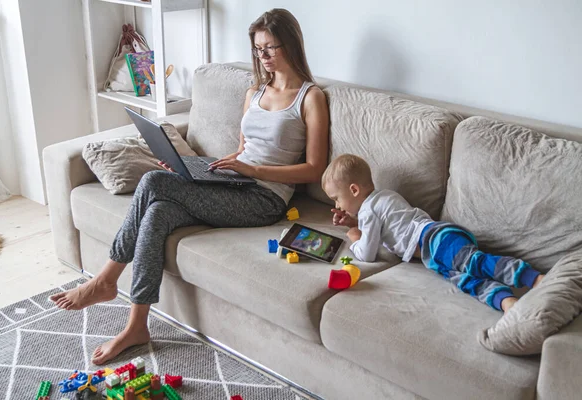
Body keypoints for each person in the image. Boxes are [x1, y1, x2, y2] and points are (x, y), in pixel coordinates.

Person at [50, 8, 329, 364]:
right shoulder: (255, 92)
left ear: (290, 44)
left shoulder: (310, 97)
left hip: (265, 198)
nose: (264, 57)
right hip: (235, 181)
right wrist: (202, 168)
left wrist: (251, 168)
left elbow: (314, 169)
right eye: (258, 50)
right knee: (159, 211)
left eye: (271, 48)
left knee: (153, 182)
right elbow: (242, 150)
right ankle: (137, 324)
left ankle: (106, 279)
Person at [321, 154, 544, 313]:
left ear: (354, 190)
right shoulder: (384, 196)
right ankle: (507, 301)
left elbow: (367, 254)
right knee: (466, 280)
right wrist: (356, 220)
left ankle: (533, 278)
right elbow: (386, 224)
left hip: (434, 240)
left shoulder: (369, 211)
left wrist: (354, 234)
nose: (338, 206)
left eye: (336, 198)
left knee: (477, 264)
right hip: (434, 250)